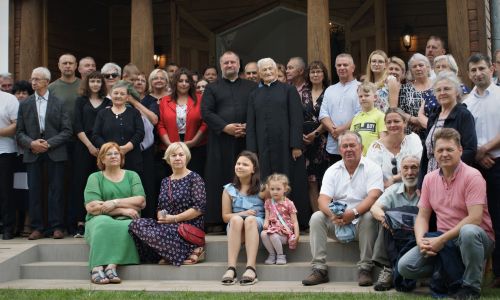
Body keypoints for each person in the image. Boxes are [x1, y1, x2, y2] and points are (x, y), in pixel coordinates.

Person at [398, 128, 494, 299]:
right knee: (405, 266)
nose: (444, 154)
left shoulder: (473, 176)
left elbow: (475, 218)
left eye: (449, 149)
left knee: (468, 232)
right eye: (440, 150)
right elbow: (422, 215)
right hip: (444, 240)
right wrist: (421, 240)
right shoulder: (429, 178)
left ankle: (471, 287)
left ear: (460, 150)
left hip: (477, 239)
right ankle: (447, 274)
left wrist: (441, 240)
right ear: (434, 153)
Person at [302, 131, 383, 286]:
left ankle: (365, 268)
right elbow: (322, 199)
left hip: (362, 223)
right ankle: (319, 269)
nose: (348, 149)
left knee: (369, 216)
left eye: (352, 145)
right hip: (338, 222)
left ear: (362, 148)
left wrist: (353, 213)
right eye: (344, 146)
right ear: (340, 150)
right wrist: (333, 215)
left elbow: (373, 196)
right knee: (317, 217)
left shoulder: (372, 168)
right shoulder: (332, 170)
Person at [246, 57, 308, 229]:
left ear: (276, 70)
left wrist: (296, 145)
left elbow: (296, 119)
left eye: (270, 69)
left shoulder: (288, 90)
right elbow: (251, 124)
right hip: (263, 147)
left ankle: (296, 222)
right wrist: (252, 151)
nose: (267, 72)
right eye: (264, 70)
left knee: (289, 180)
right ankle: (270, 220)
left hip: (286, 148)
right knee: (266, 182)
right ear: (259, 73)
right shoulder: (254, 95)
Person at [201, 51, 257, 230]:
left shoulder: (251, 87)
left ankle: (248, 215)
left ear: (238, 65)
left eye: (233, 62)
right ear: (221, 65)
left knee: (246, 177)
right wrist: (226, 127)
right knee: (220, 176)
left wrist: (247, 126)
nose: (230, 65)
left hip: (245, 140)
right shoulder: (212, 87)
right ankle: (217, 220)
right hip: (220, 141)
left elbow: (257, 109)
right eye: (226, 63)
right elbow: (206, 112)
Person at [16, 67, 72, 240]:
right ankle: (37, 227)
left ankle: (57, 227)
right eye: (32, 79)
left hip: (55, 150)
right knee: (34, 191)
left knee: (56, 190)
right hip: (33, 151)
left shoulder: (59, 102)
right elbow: (19, 132)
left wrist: (48, 144)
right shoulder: (25, 104)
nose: (33, 82)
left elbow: (67, 130)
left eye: (37, 79)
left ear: (47, 82)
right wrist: (32, 143)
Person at [129, 142, 206, 265]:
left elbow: (198, 209)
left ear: (186, 157)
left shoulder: (195, 178)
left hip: (187, 225)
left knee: (163, 233)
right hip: (168, 223)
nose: (177, 158)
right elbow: (161, 207)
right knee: (136, 224)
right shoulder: (166, 181)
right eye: (173, 155)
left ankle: (192, 249)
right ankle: (171, 252)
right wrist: (161, 216)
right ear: (168, 159)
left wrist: (175, 218)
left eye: (181, 155)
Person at [84, 142, 145, 284]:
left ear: (121, 157)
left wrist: (114, 202)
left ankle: (112, 266)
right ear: (102, 159)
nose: (113, 156)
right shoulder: (95, 177)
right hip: (100, 217)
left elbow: (140, 201)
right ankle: (97, 267)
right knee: (103, 224)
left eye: (116, 153)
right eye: (108, 154)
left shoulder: (132, 175)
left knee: (126, 226)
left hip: (127, 218)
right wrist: (123, 209)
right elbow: (92, 207)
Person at [463, 53, 500, 287]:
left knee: (498, 216)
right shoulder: (466, 102)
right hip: (476, 167)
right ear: (468, 74)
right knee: (478, 218)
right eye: (473, 70)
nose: (478, 73)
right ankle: (477, 268)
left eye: (481, 69)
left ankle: (498, 271)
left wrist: (485, 149)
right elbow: (466, 135)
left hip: (498, 162)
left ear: (492, 68)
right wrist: (478, 152)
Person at [369, 155, 421, 291]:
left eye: (414, 167)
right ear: (400, 171)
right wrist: (384, 219)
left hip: (418, 235)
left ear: (420, 170)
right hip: (395, 234)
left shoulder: (426, 190)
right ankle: (388, 270)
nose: (410, 172)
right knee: (385, 219)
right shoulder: (393, 190)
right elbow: (374, 208)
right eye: (405, 168)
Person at [418, 71, 477, 187]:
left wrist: (447, 171)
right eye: (438, 90)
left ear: (456, 91)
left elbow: (470, 150)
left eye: (447, 89)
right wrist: (421, 182)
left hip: (453, 177)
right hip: (431, 179)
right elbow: (426, 153)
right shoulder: (434, 116)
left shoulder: (463, 115)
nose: (442, 93)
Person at [72, 71, 111, 238]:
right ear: (87, 84)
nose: (95, 84)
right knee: (81, 183)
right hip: (83, 146)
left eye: (98, 81)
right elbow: (77, 125)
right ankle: (81, 222)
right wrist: (89, 145)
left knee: (103, 183)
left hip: (104, 148)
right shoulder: (80, 101)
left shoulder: (108, 102)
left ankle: (100, 217)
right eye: (92, 81)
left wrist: (102, 147)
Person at [221, 151, 264, 285]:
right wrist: (242, 214)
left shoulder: (263, 188)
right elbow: (225, 217)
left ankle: (251, 268)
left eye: (245, 164)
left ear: (253, 169)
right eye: (238, 163)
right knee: (236, 219)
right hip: (236, 226)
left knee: (250, 220)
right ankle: (231, 268)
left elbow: (272, 209)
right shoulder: (229, 189)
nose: (239, 166)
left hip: (255, 224)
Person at [157, 68, 207, 177]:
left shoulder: (200, 99)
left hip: (196, 148)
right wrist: (169, 144)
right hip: (171, 147)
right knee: (173, 180)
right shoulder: (165, 101)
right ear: (175, 82)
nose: (184, 84)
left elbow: (205, 123)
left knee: (194, 180)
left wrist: (194, 141)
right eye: (180, 81)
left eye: (187, 81)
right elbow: (160, 125)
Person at [92, 80, 144, 175]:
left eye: (122, 94)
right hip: (108, 159)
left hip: (131, 158)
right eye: (115, 93)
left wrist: (127, 147)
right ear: (111, 95)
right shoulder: (102, 114)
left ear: (127, 97)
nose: (118, 96)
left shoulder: (134, 113)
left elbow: (140, 133)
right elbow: (95, 135)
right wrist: (108, 149)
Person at [319, 53, 361, 164]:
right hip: (333, 145)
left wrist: (342, 130)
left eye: (345, 65)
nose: (342, 68)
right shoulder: (330, 90)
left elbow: (360, 114)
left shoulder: (361, 88)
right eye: (339, 65)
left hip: (353, 144)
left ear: (353, 67)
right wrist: (334, 131)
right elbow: (323, 114)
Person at [367, 108, 422, 188]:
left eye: (396, 121)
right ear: (385, 125)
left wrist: (394, 179)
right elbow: (372, 175)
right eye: (389, 122)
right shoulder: (376, 147)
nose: (392, 125)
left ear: (405, 123)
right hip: (384, 192)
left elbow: (417, 167)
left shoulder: (413, 139)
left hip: (411, 189)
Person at [301, 61, 330, 212]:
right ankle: (316, 216)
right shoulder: (303, 93)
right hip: (305, 140)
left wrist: (316, 133)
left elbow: (331, 116)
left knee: (325, 179)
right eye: (312, 72)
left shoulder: (329, 92)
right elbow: (296, 116)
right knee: (310, 179)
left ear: (324, 74)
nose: (315, 74)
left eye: (319, 72)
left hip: (324, 139)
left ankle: (327, 215)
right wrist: (301, 134)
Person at [261, 173, 299, 265]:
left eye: (278, 189)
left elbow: (295, 222)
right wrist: (265, 223)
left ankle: (280, 255)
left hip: (284, 233)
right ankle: (272, 254)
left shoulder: (289, 203)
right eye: (272, 189)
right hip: (273, 229)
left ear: (285, 189)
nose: (275, 192)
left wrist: (297, 235)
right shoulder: (268, 202)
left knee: (273, 235)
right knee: (263, 234)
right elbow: (267, 217)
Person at [399, 53, 435, 134]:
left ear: (428, 67)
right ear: (411, 71)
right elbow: (400, 111)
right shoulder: (405, 89)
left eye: (421, 65)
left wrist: (424, 122)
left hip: (434, 132)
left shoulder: (437, 86)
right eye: (414, 66)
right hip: (412, 133)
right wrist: (414, 120)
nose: (418, 68)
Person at [0, 90, 19, 239]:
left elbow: (16, 125)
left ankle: (8, 227)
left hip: (5, 151)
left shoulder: (9, 99)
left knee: (5, 191)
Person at [350, 81, 387, 155]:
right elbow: (351, 139)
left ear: (375, 97)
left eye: (366, 95)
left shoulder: (381, 116)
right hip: (358, 158)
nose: (363, 98)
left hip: (374, 158)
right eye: (360, 96)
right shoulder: (356, 118)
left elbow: (384, 140)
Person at [49, 53, 81, 126]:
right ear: (59, 66)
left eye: (70, 63)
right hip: (60, 131)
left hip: (82, 131)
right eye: (64, 63)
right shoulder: (51, 88)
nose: (68, 66)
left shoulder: (84, 86)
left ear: (76, 65)